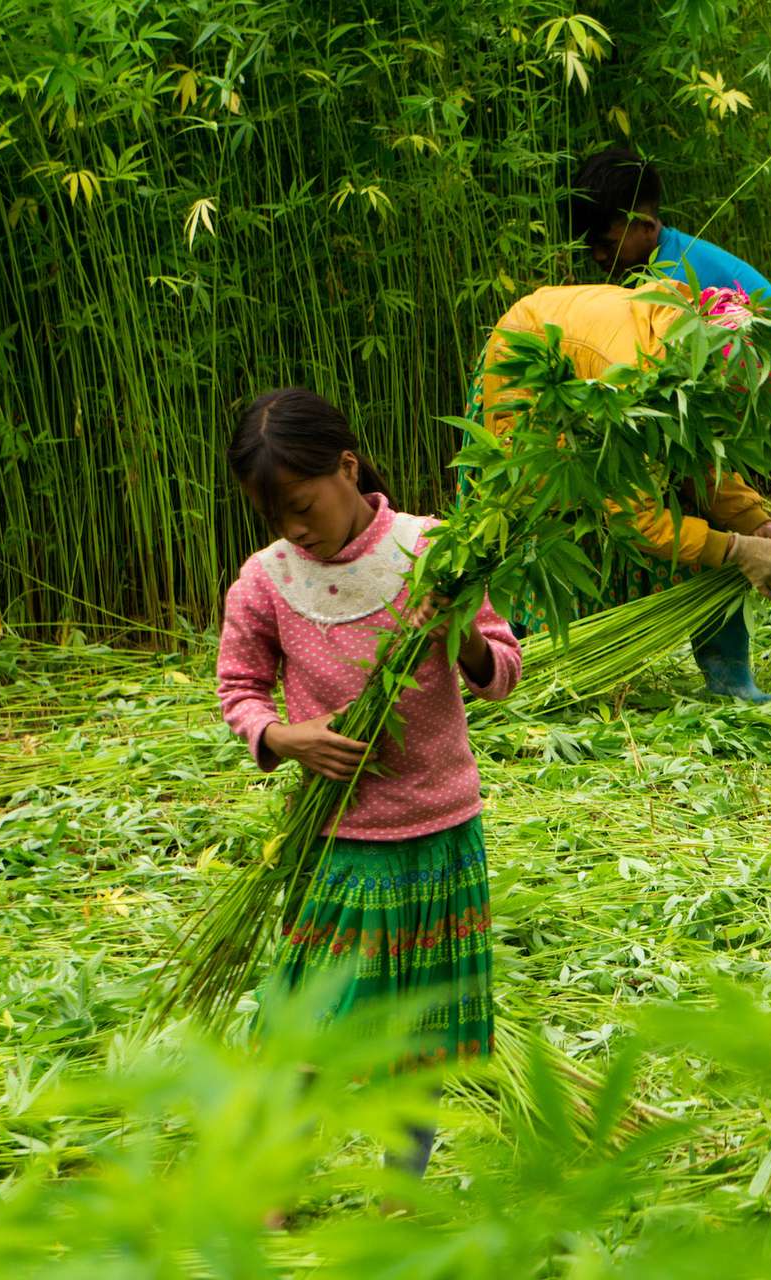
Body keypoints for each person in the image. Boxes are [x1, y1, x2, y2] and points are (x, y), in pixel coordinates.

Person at [217, 388, 522, 1181]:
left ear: (346, 467)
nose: (293, 526)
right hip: (338, 842)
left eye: (301, 503)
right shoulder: (266, 581)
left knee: (419, 1038)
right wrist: (284, 737)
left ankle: (401, 1188)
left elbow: (502, 671)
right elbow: (239, 689)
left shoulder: (435, 553)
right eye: (273, 512)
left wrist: (460, 637)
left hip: (437, 831)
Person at [474, 281, 771, 702]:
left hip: (597, 365)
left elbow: (701, 462)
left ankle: (730, 679)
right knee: (547, 512)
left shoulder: (697, 359)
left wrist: (757, 524)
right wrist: (736, 549)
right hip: (532, 360)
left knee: (696, 506)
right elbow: (634, 518)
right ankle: (522, 673)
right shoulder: (637, 378)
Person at [567, 146, 771, 451]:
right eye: (591, 246)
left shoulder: (671, 280)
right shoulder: (663, 258)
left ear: (647, 226)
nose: (598, 255)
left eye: (607, 244)